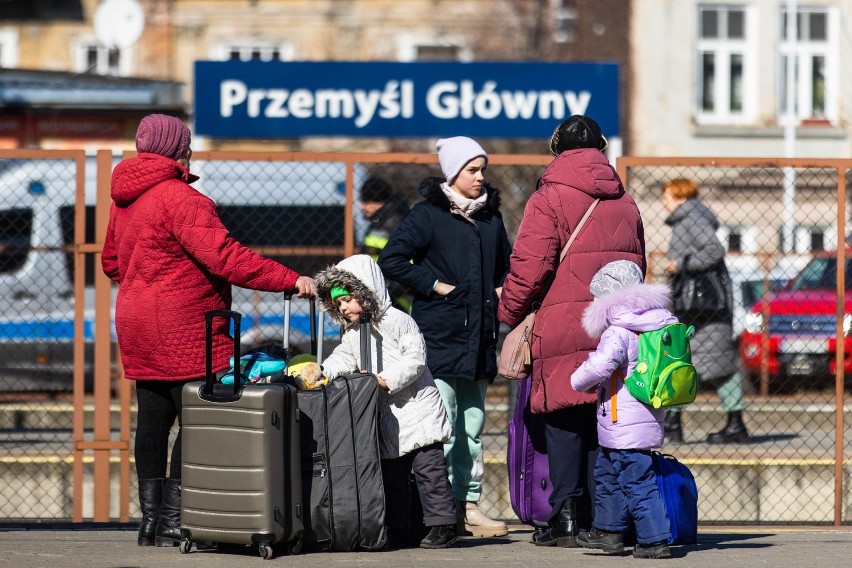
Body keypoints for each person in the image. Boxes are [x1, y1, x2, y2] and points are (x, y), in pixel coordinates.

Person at [101, 114, 313, 547]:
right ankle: (176, 520)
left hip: (136, 319)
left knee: (153, 422)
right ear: (178, 149)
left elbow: (110, 264)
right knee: (196, 420)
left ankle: (148, 523)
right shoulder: (183, 199)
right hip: (185, 321)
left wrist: (148, 274)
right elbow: (226, 258)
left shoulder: (125, 199)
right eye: (188, 143)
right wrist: (290, 279)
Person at [498, 115, 646, 548]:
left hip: (562, 323)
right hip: (612, 324)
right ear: (600, 146)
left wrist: (510, 312)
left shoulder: (549, 197)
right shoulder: (626, 200)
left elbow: (530, 266)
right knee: (601, 418)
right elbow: (637, 265)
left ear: (556, 149)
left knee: (563, 417)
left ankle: (565, 517)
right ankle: (604, 519)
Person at [379, 136, 512, 538]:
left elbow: (505, 269)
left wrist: (502, 292)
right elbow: (392, 259)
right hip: (440, 336)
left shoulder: (491, 218)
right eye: (472, 170)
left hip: (480, 341)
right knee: (443, 424)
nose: (480, 177)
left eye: (482, 169)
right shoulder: (427, 215)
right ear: (453, 174)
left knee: (472, 427)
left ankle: (468, 506)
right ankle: (440, 510)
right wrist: (437, 286)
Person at [312, 254, 457, 549]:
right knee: (390, 476)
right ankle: (399, 527)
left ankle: (443, 525)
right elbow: (344, 357)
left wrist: (384, 379)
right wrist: (323, 371)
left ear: (366, 291)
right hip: (388, 418)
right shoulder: (353, 333)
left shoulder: (398, 321)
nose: (343, 307)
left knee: (429, 471)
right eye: (337, 304)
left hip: (418, 410)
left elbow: (415, 359)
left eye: (347, 299)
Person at [570, 260, 673, 559]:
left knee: (635, 480)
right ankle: (608, 532)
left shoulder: (619, 330)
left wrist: (577, 380)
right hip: (644, 415)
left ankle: (654, 541)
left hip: (621, 418)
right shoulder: (656, 323)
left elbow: (603, 364)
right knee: (607, 473)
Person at [661, 177, 750, 444]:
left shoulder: (691, 220)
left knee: (700, 363)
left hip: (703, 308)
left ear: (678, 195)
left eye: (666, 196)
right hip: (704, 308)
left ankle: (732, 425)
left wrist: (681, 264)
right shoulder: (691, 219)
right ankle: (674, 422)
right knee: (689, 361)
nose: (663, 201)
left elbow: (714, 249)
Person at [359, 176, 413, 311]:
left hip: (397, 300)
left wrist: (384, 292)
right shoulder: (378, 222)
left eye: (366, 201)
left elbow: (405, 264)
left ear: (379, 202)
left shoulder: (396, 223)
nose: (362, 206)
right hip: (384, 294)